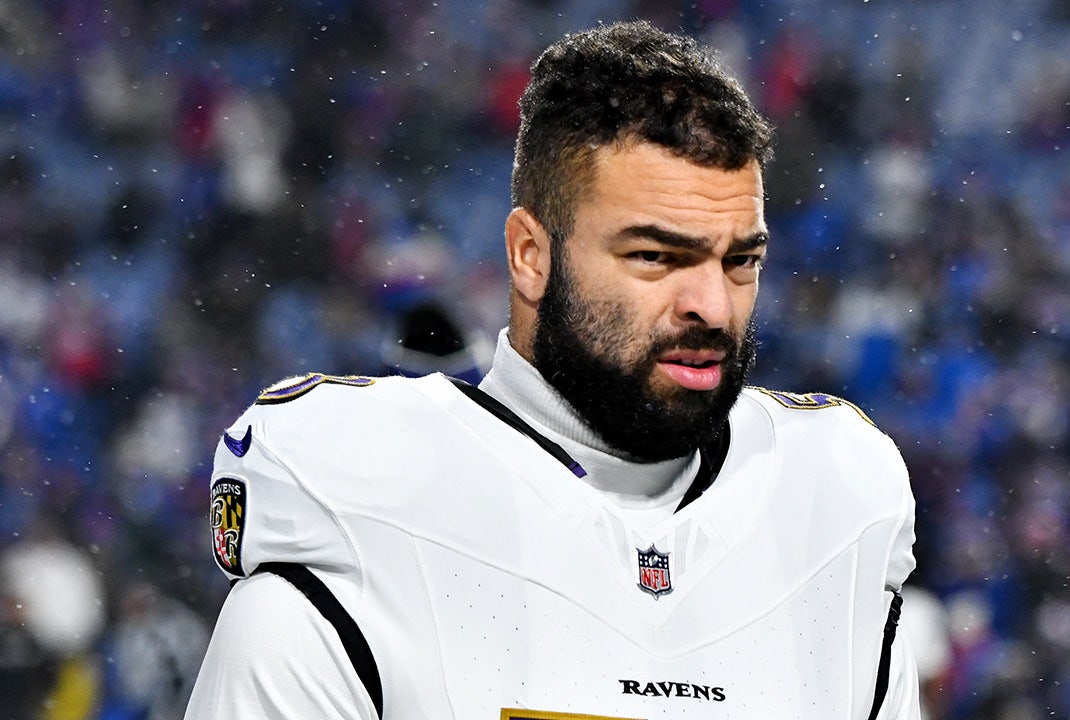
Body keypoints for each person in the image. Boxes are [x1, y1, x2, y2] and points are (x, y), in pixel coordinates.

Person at [185, 20, 919, 719]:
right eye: (655, 256)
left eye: (740, 261)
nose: (712, 306)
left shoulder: (833, 507)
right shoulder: (360, 506)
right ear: (530, 256)